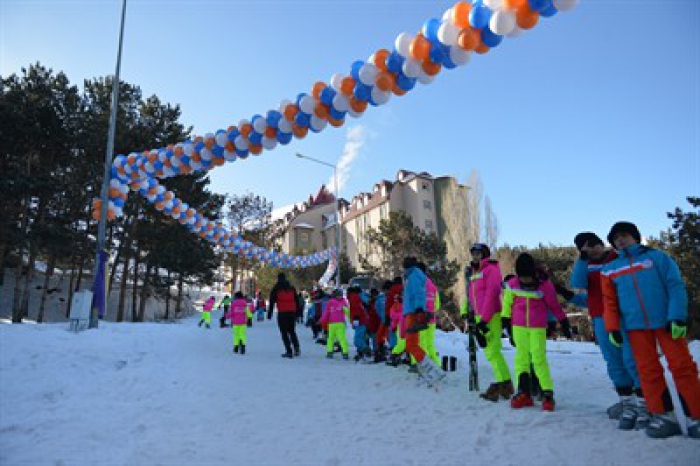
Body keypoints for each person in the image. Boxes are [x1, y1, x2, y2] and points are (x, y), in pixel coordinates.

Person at [602, 222, 700, 439]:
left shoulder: (657, 258)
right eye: (616, 238)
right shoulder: (609, 270)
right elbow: (609, 302)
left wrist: (677, 316)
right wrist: (612, 327)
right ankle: (664, 417)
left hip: (666, 322)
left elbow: (675, 285)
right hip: (635, 327)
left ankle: (696, 416)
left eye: (625, 235)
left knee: (682, 367)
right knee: (647, 371)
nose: (620, 240)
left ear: (636, 237)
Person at [570, 231, 645, 430]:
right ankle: (628, 404)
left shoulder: (616, 257)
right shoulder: (585, 264)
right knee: (614, 361)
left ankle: (646, 405)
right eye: (586, 247)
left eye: (594, 244)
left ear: (602, 243)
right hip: (600, 317)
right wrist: (582, 258)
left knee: (632, 359)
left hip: (624, 316)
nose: (592, 249)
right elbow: (577, 283)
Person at [502, 253, 572, 411]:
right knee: (521, 358)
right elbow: (507, 304)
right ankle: (524, 392)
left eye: (528, 277)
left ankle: (547, 393)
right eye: (522, 277)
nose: (525, 281)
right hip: (518, 326)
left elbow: (554, 305)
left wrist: (564, 322)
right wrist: (505, 322)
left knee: (538, 359)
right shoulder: (512, 284)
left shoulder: (544, 284)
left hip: (537, 327)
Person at [465, 243, 513, 401]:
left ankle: (502, 384)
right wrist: (470, 313)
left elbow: (492, 296)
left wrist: (484, 320)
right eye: (473, 253)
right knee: (490, 352)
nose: (475, 256)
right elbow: (471, 296)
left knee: (492, 351)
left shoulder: (491, 270)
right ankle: (505, 383)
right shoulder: (475, 272)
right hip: (480, 316)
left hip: (490, 316)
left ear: (485, 254)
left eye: (478, 253)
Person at [402, 256, 444, 385]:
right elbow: (436, 304)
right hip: (423, 315)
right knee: (419, 344)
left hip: (414, 314)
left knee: (413, 344)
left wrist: (419, 310)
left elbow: (419, 294)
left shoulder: (414, 276)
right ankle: (432, 369)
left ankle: (432, 370)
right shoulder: (420, 278)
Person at [267, 273, 303, 358]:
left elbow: (272, 301)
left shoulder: (276, 288)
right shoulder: (291, 288)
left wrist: (270, 313)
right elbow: (296, 300)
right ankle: (296, 347)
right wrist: (298, 312)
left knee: (284, 333)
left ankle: (289, 351)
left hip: (282, 312)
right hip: (292, 312)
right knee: (292, 331)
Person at [417, 262, 440, 365]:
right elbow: (437, 305)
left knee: (421, 343)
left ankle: (424, 366)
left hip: (420, 318)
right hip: (432, 318)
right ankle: (437, 364)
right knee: (430, 344)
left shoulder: (417, 284)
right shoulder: (433, 285)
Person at [318, 289, 350, 360]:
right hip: (333, 324)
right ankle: (331, 352)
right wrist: (321, 320)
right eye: (339, 295)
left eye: (341, 295)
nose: (340, 296)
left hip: (338, 324)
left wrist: (351, 319)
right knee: (332, 339)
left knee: (339, 338)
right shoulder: (333, 302)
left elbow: (347, 311)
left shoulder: (339, 302)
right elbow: (326, 313)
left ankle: (344, 352)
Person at [347, 287, 371, 361]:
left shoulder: (353, 297)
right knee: (361, 337)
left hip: (360, 320)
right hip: (363, 319)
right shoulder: (356, 297)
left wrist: (356, 319)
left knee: (357, 339)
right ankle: (363, 352)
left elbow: (356, 309)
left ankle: (366, 351)